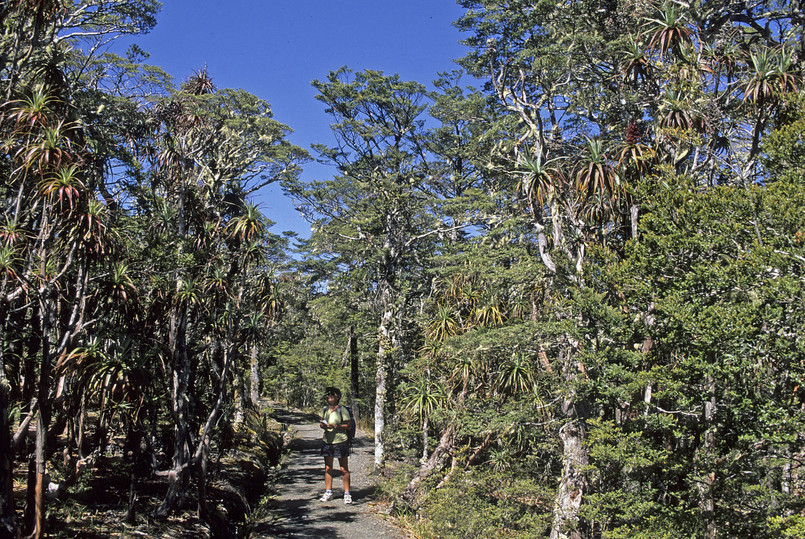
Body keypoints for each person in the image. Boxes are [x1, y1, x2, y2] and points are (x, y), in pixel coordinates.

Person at [319, 386, 352, 504]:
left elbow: (348, 425)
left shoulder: (342, 410)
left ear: (337, 397)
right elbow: (321, 422)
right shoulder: (325, 409)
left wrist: (336, 427)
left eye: (332, 395)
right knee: (328, 468)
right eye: (329, 395)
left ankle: (347, 493)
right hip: (327, 441)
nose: (330, 396)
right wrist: (323, 425)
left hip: (340, 441)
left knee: (343, 469)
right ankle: (328, 492)